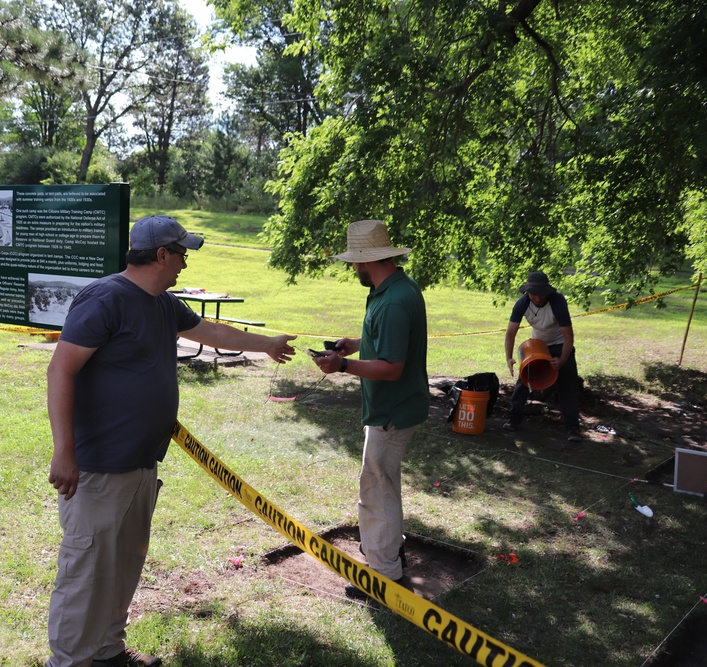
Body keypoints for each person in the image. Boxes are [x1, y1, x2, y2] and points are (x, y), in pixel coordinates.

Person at [45, 214, 296, 667]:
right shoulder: (105, 298)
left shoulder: (163, 303)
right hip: (99, 466)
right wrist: (64, 451)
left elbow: (211, 332)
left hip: (141, 463)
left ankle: (107, 652)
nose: (185, 263)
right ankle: (70, 662)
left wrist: (267, 344)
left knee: (123, 565)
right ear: (161, 254)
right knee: (85, 573)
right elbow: (60, 370)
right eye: (182, 253)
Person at [311, 219, 429, 601]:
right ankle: (389, 551)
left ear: (367, 261)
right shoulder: (396, 288)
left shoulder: (393, 301)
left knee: (376, 490)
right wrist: (354, 343)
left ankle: (382, 575)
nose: (353, 270)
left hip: (390, 412)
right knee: (384, 484)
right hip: (395, 408)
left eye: (354, 263)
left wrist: (342, 365)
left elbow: (392, 367)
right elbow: (386, 341)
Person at [503, 270, 581, 442]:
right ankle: (513, 419)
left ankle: (572, 429)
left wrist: (562, 359)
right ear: (527, 292)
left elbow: (569, 335)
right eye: (533, 294)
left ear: (547, 291)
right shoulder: (522, 303)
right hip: (538, 344)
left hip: (561, 344)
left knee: (568, 385)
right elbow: (510, 334)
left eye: (541, 294)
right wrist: (509, 358)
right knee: (525, 380)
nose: (537, 298)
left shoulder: (558, 301)